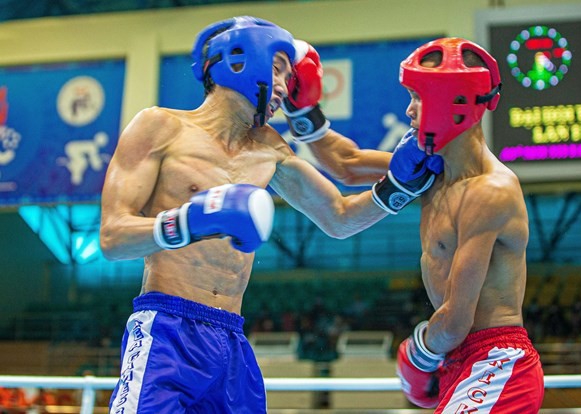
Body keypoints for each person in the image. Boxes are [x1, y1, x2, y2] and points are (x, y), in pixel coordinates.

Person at [99, 16, 441, 414]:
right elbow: (112, 236)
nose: (284, 87)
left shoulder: (270, 148)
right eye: (278, 70)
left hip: (232, 340)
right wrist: (193, 220)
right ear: (240, 61)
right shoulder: (160, 126)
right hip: (168, 329)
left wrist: (397, 188)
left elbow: (339, 216)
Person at [285, 37, 544, 412]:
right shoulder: (432, 170)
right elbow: (348, 163)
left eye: (418, 98)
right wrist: (302, 110)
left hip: (496, 361)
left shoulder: (491, 191)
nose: (408, 110)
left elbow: (456, 320)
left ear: (450, 102)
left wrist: (417, 354)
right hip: (460, 360)